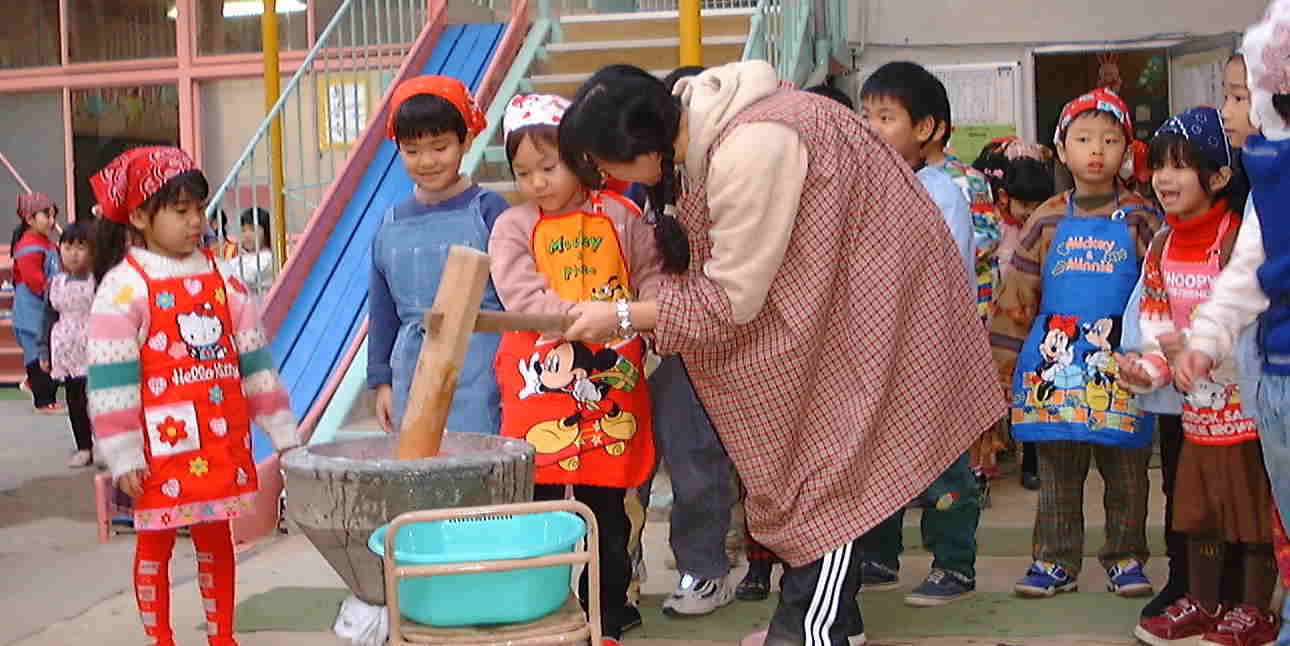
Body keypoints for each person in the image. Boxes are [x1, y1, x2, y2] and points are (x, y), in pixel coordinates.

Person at [557, 61, 1002, 646]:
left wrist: (621, 315)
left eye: (603, 164)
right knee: (817, 455)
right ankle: (828, 618)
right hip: (838, 293)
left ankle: (812, 627)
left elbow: (730, 302)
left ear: (640, 145)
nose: (604, 178)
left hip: (872, 300)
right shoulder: (706, 133)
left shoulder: (751, 146)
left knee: (823, 464)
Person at [85, 146, 300, 646]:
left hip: (220, 442)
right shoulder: (123, 289)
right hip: (157, 454)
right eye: (180, 211)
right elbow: (111, 385)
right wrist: (123, 455)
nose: (196, 222)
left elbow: (255, 365)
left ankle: (222, 636)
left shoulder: (226, 282)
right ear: (140, 217)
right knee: (154, 543)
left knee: (216, 537)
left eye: (199, 209)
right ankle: (160, 638)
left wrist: (284, 434)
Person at [487, 93, 661, 645]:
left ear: (581, 157)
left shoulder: (624, 216)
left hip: (611, 381)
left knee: (606, 508)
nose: (537, 183)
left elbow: (652, 280)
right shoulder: (512, 226)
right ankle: (541, 615)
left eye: (549, 167)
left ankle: (605, 615)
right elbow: (519, 292)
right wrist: (581, 320)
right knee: (538, 507)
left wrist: (639, 321)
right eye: (523, 173)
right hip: (539, 383)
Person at [990, 87, 1162, 599]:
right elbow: (1016, 297)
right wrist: (1001, 368)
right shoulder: (1044, 218)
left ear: (1125, 149)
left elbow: (1161, 292)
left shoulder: (1142, 218)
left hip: (1123, 368)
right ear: (1062, 149)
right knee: (1058, 471)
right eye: (1083, 139)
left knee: (1127, 472)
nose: (1096, 150)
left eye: (1109, 140)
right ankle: (1054, 561)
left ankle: (1125, 557)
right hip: (1055, 366)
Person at [1116, 106, 1273, 646]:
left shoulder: (1237, 241)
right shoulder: (1161, 246)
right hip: (1197, 417)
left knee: (1251, 516)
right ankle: (1205, 604)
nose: (1164, 178)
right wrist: (1145, 370)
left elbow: (1254, 323)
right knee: (1200, 514)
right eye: (1159, 165)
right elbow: (1158, 326)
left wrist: (1204, 353)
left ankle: (1255, 610)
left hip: (1247, 415)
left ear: (1220, 176)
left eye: (1180, 166)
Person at [1176, 4, 1290, 641]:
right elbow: (1248, 267)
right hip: (1275, 373)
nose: (1230, 109)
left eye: (1242, 96)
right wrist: (1208, 338)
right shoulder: (1268, 174)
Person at [857, 61, 982, 607]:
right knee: (880, 460)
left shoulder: (941, 192)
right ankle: (879, 555)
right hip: (882, 353)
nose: (871, 128)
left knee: (943, 464)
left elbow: (937, 274)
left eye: (885, 117)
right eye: (866, 115)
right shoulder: (880, 187)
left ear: (928, 128)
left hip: (932, 354)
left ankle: (954, 563)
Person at [367, 76, 508, 435]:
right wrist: (382, 381)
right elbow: (383, 311)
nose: (427, 161)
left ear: (467, 140)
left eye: (440, 147)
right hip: (411, 371)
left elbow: (514, 299)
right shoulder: (390, 222)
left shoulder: (491, 211)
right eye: (412, 151)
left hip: (483, 367)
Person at [974, 139, 1057, 492]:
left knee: (1033, 392)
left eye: (1038, 205)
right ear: (1006, 197)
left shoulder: (1048, 230)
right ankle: (988, 458)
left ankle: (1032, 462)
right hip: (999, 325)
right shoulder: (995, 230)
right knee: (997, 392)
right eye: (1025, 204)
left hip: (1036, 323)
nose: (1030, 212)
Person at [42, 219, 96, 467]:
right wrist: (44, 352)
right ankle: (83, 447)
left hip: (95, 347)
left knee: (99, 399)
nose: (74, 253)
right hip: (66, 350)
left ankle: (104, 445)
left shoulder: (99, 281)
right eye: (68, 247)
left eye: (81, 247)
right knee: (75, 399)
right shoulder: (55, 283)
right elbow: (47, 317)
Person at [12, 192, 64, 413]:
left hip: (44, 308)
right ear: (29, 219)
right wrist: (55, 292)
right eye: (46, 216)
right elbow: (34, 279)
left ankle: (35, 385)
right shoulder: (29, 246)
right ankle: (43, 401)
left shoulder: (46, 243)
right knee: (37, 354)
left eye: (53, 216)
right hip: (31, 311)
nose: (51, 221)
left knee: (47, 352)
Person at [234, 207, 275, 292]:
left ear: (266, 232)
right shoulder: (242, 257)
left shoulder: (266, 257)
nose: (247, 235)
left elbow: (245, 276)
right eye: (243, 231)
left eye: (253, 230)